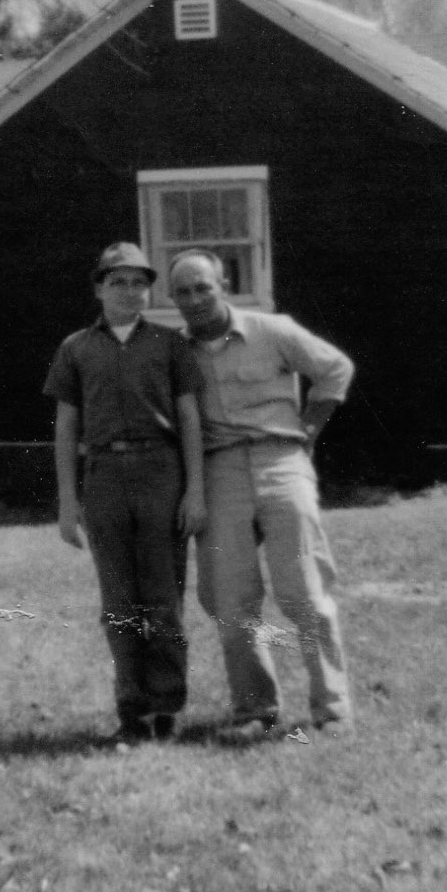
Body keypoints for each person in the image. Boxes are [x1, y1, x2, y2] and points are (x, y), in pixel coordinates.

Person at [167, 248, 356, 741]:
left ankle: (332, 707)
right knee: (230, 598)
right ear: (173, 299)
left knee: (305, 591)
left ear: (224, 284)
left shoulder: (272, 330)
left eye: (203, 287)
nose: (195, 299)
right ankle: (254, 710)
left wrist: (310, 428)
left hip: (280, 463)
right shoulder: (174, 352)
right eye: (183, 292)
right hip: (218, 473)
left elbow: (335, 368)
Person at [45, 242, 207, 743]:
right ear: (99, 288)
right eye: (119, 281)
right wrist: (68, 501)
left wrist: (194, 490)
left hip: (161, 472)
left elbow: (189, 418)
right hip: (105, 476)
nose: (130, 291)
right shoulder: (76, 348)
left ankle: (166, 708)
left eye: (139, 282)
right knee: (118, 598)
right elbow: (67, 427)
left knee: (161, 595)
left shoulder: (169, 344)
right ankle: (131, 710)